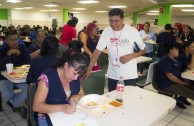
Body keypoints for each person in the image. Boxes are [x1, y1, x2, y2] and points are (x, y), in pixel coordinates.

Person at [85, 8, 146, 92]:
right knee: (112, 101)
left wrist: (131, 56)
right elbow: (97, 51)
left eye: (116, 21)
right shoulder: (107, 31)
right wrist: (89, 68)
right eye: (111, 21)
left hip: (129, 74)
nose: (113, 24)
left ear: (122, 19)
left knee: (129, 100)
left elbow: (144, 50)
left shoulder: (132, 31)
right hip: (113, 74)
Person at [33, 49, 87, 126]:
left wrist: (76, 97)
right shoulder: (47, 77)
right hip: (47, 119)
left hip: (67, 117)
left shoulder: (75, 77)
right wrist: (62, 108)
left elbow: (82, 94)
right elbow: (36, 106)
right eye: (74, 73)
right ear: (66, 65)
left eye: (79, 75)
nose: (76, 78)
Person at [0, 30, 30, 110]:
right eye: (11, 40)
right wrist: (8, 54)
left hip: (19, 76)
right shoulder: (2, 49)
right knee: (8, 95)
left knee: (28, 90)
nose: (14, 42)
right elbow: (1, 68)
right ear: (6, 40)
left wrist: (16, 68)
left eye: (16, 39)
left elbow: (28, 61)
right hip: (4, 78)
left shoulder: (22, 47)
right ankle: (14, 102)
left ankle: (14, 103)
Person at [157, 44, 194, 109]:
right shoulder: (165, 60)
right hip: (167, 84)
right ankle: (180, 100)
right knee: (191, 93)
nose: (178, 51)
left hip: (175, 81)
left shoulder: (175, 59)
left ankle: (181, 99)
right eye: (176, 49)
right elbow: (170, 76)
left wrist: (185, 79)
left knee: (191, 85)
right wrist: (183, 83)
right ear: (171, 51)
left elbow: (179, 70)